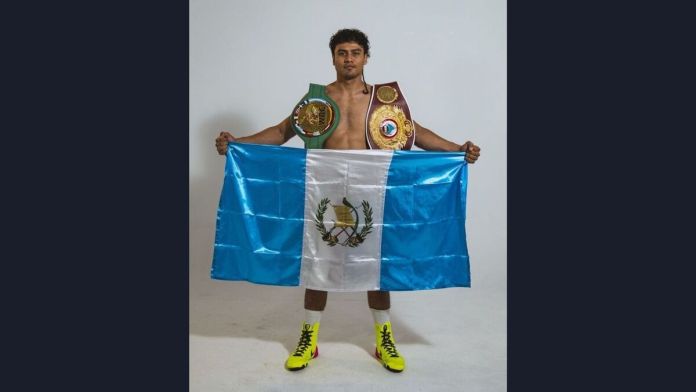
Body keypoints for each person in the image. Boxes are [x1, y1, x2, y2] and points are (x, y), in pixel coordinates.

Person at [215, 28, 481, 373]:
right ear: (333, 58)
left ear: (366, 57)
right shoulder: (317, 100)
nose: (349, 59)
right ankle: (308, 338)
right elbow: (282, 131)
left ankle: (383, 338)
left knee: (377, 268)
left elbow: (416, 132)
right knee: (317, 263)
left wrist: (456, 148)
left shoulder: (383, 100)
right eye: (343, 53)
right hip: (323, 190)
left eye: (356, 52)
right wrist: (240, 141)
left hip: (374, 191)